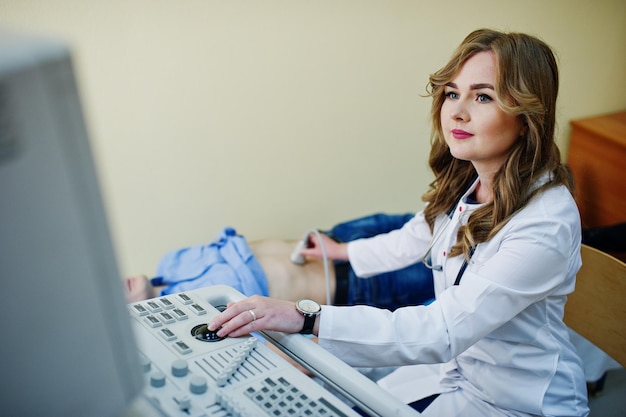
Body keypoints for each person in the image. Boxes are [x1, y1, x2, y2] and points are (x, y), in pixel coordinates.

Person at [208, 28, 590, 416]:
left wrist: (305, 316)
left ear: (527, 118)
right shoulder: (472, 183)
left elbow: (441, 330)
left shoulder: (545, 223)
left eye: (483, 96)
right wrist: (342, 250)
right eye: (453, 93)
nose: (456, 111)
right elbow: (413, 238)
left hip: (519, 402)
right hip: (458, 375)